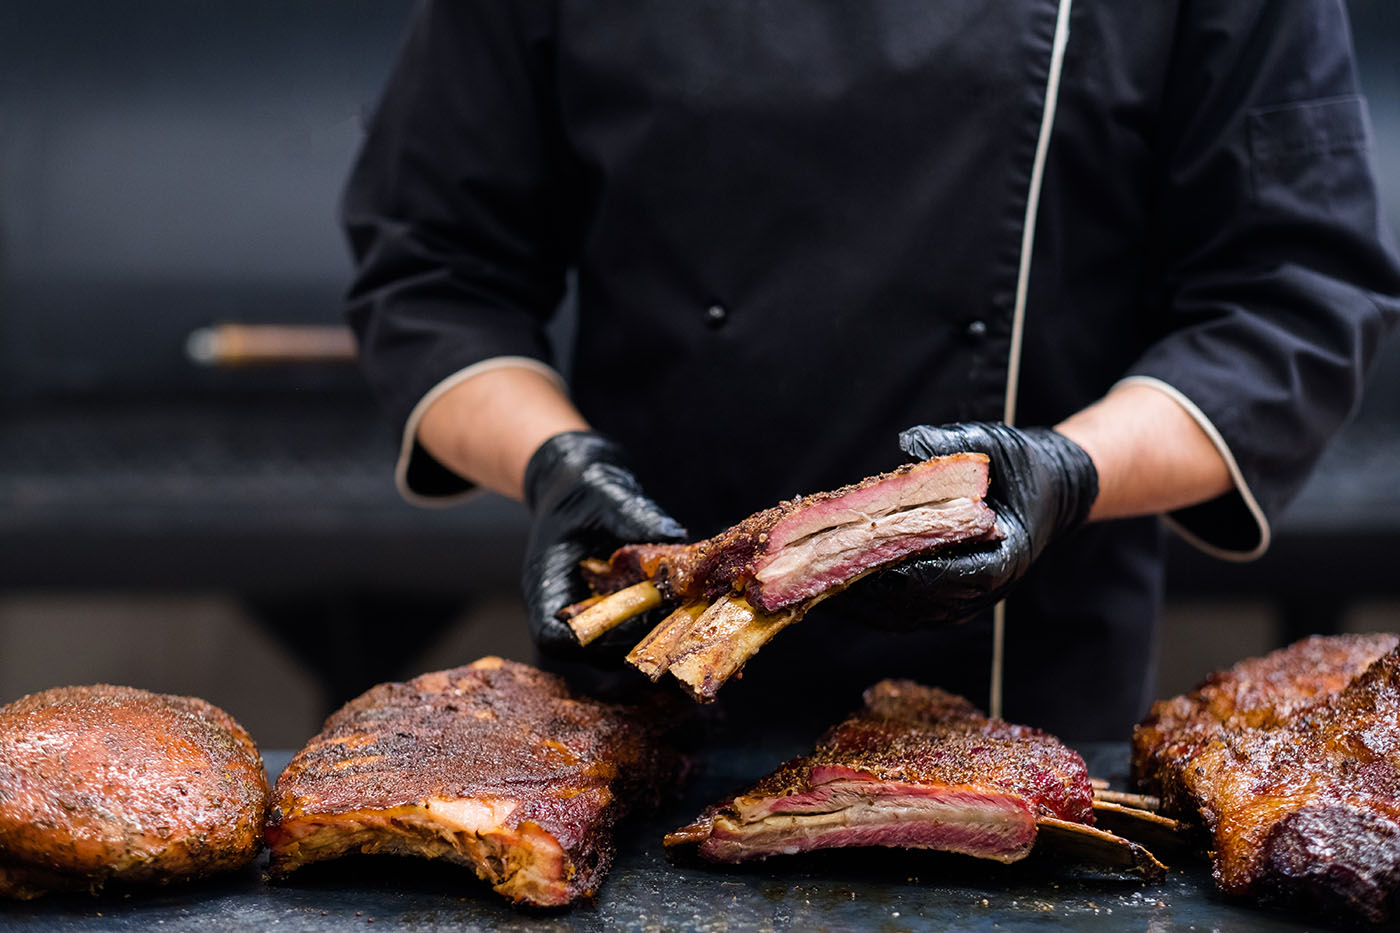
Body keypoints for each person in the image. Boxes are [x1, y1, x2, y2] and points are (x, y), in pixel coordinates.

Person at [342, 0, 1400, 740]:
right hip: (644, 683)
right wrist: (554, 463)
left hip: (1016, 695)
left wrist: (1066, 471)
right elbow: (433, 269)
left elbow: (1287, 297)